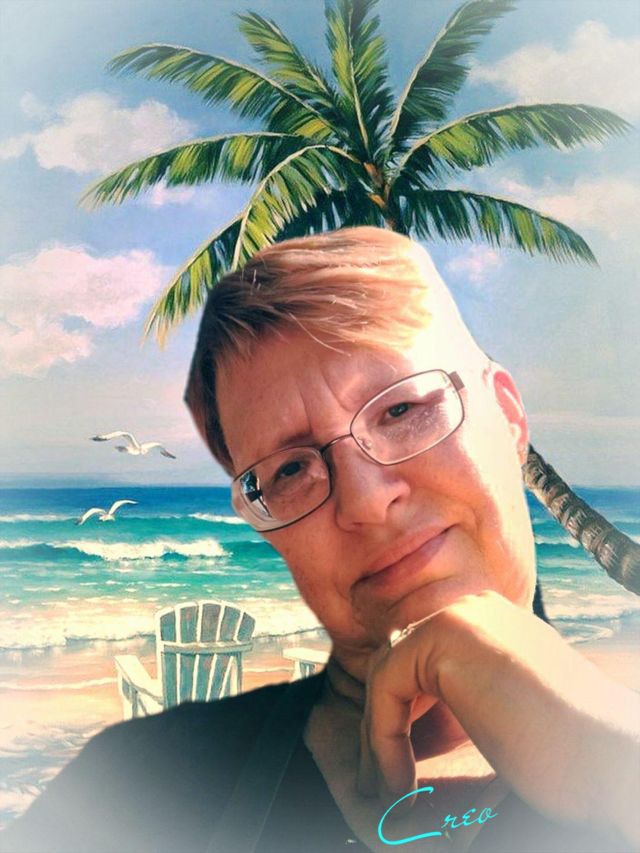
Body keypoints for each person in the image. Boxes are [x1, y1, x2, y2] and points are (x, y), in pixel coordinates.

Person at [1, 227, 638, 853]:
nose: (364, 503)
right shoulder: (141, 786)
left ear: (509, 417)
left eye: (401, 409)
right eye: (288, 471)